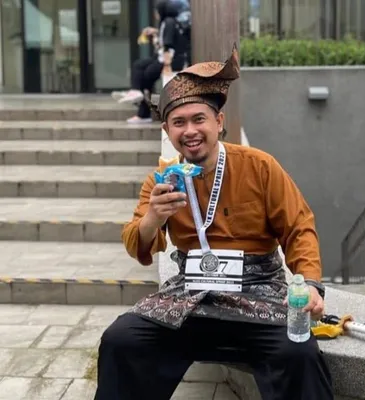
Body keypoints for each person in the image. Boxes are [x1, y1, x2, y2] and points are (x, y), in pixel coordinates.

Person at [94, 46, 334, 400]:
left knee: (298, 353)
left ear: (218, 122)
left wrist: (310, 284)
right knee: (122, 340)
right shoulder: (162, 180)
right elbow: (136, 243)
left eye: (199, 119)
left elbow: (299, 228)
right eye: (179, 122)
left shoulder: (260, 166)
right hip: (191, 293)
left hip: (257, 292)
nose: (190, 131)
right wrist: (153, 218)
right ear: (167, 130)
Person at [118, 0, 191, 124]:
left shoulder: (169, 22)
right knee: (139, 68)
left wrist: (167, 66)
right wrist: (155, 33)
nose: (155, 14)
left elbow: (168, 46)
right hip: (163, 58)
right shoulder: (166, 22)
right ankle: (137, 94)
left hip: (170, 61)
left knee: (145, 76)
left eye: (156, 11)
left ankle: (142, 107)